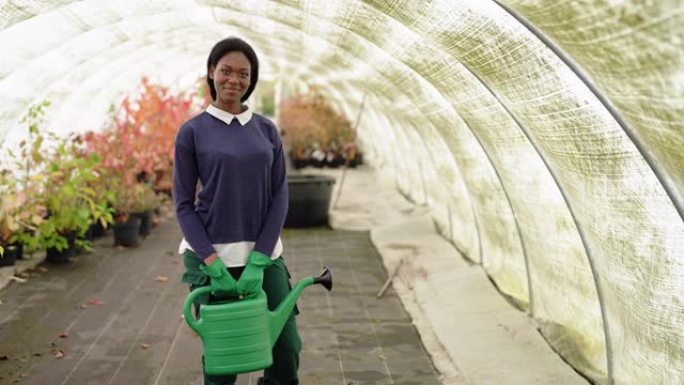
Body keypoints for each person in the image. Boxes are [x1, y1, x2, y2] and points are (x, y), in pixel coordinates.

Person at [173, 36, 300, 385]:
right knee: (224, 361)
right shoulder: (193, 132)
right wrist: (211, 263)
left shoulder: (265, 129)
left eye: (243, 74)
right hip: (212, 257)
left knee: (286, 349)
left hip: (264, 256)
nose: (234, 80)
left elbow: (279, 194)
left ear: (251, 79)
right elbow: (183, 204)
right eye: (226, 71)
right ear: (212, 72)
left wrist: (260, 258)